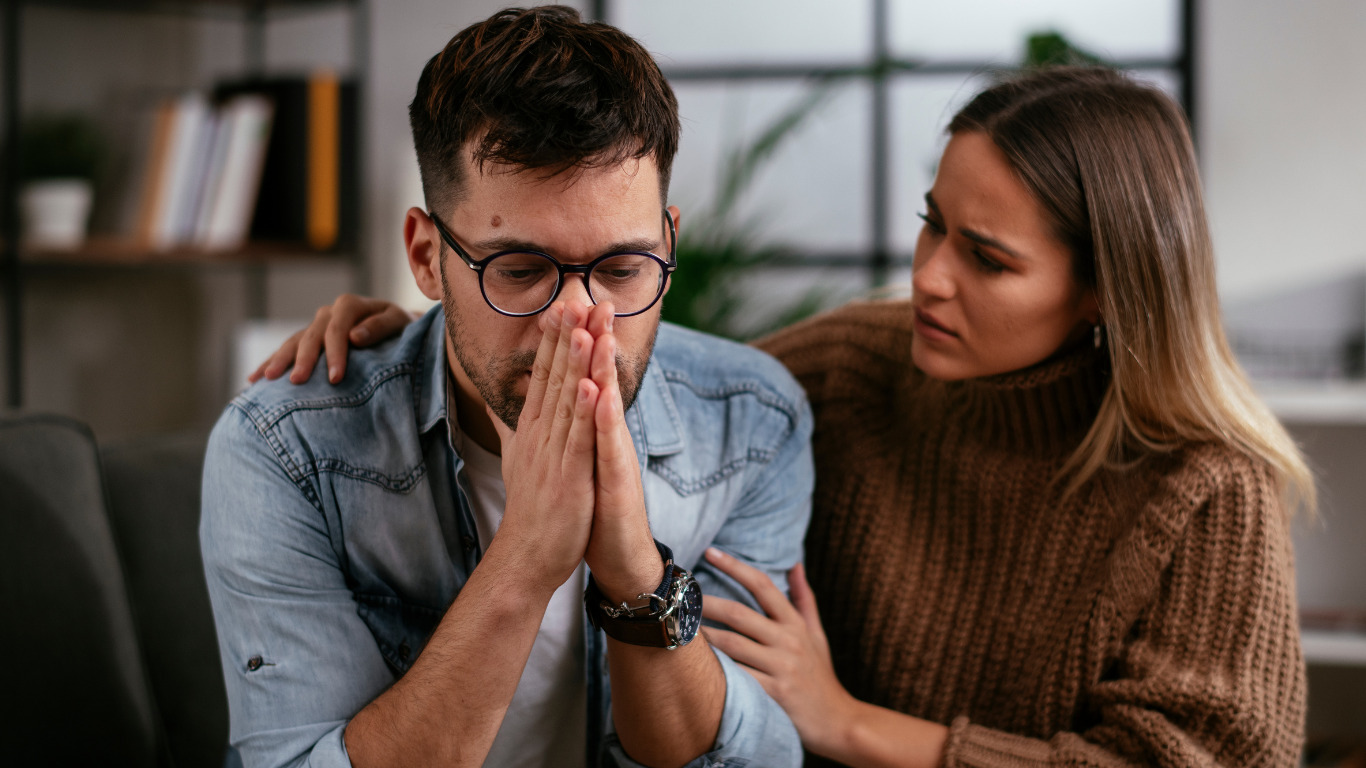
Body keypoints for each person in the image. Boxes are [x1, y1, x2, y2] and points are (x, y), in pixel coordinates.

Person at [265, 67, 1311, 767]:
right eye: (930, 226)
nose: (930, 279)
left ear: (1103, 292)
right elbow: (635, 363)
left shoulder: (1206, 492)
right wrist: (431, 333)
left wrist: (851, 724)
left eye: (986, 258)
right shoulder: (857, 366)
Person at [202, 7, 813, 768]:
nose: (581, 323)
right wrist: (526, 557)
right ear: (428, 258)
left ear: (667, 243)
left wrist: (635, 575)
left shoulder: (750, 421)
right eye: (520, 272)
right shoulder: (287, 448)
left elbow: (754, 758)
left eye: (623, 270)